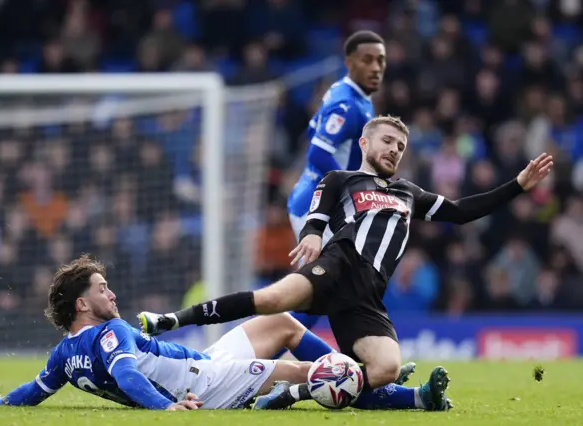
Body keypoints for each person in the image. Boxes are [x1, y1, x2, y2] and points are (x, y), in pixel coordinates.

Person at [138, 115, 553, 407]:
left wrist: (518, 185)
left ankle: (296, 392)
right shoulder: (341, 180)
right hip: (339, 264)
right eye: (388, 141)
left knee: (386, 367)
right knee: (271, 299)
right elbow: (316, 219)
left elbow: (462, 211)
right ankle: (171, 320)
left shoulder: (410, 193)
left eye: (401, 146)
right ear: (365, 143)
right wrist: (313, 239)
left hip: (369, 292)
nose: (394, 149)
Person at [0, 255, 448, 411]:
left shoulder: (63, 354)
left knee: (281, 322)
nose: (112, 295)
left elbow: (34, 391)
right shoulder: (108, 333)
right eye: (102, 288)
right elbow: (131, 377)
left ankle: (359, 375)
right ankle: (412, 399)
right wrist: (168, 407)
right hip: (199, 381)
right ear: (82, 304)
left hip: (201, 360)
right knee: (317, 374)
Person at [286, 30, 385, 332]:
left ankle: (261, 358)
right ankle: (370, 370)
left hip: (317, 202)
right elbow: (318, 152)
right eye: (367, 60)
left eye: (380, 60)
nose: (375, 67)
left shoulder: (351, 95)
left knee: (324, 292)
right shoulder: (347, 105)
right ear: (349, 62)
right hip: (317, 207)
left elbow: (316, 132)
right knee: (342, 287)